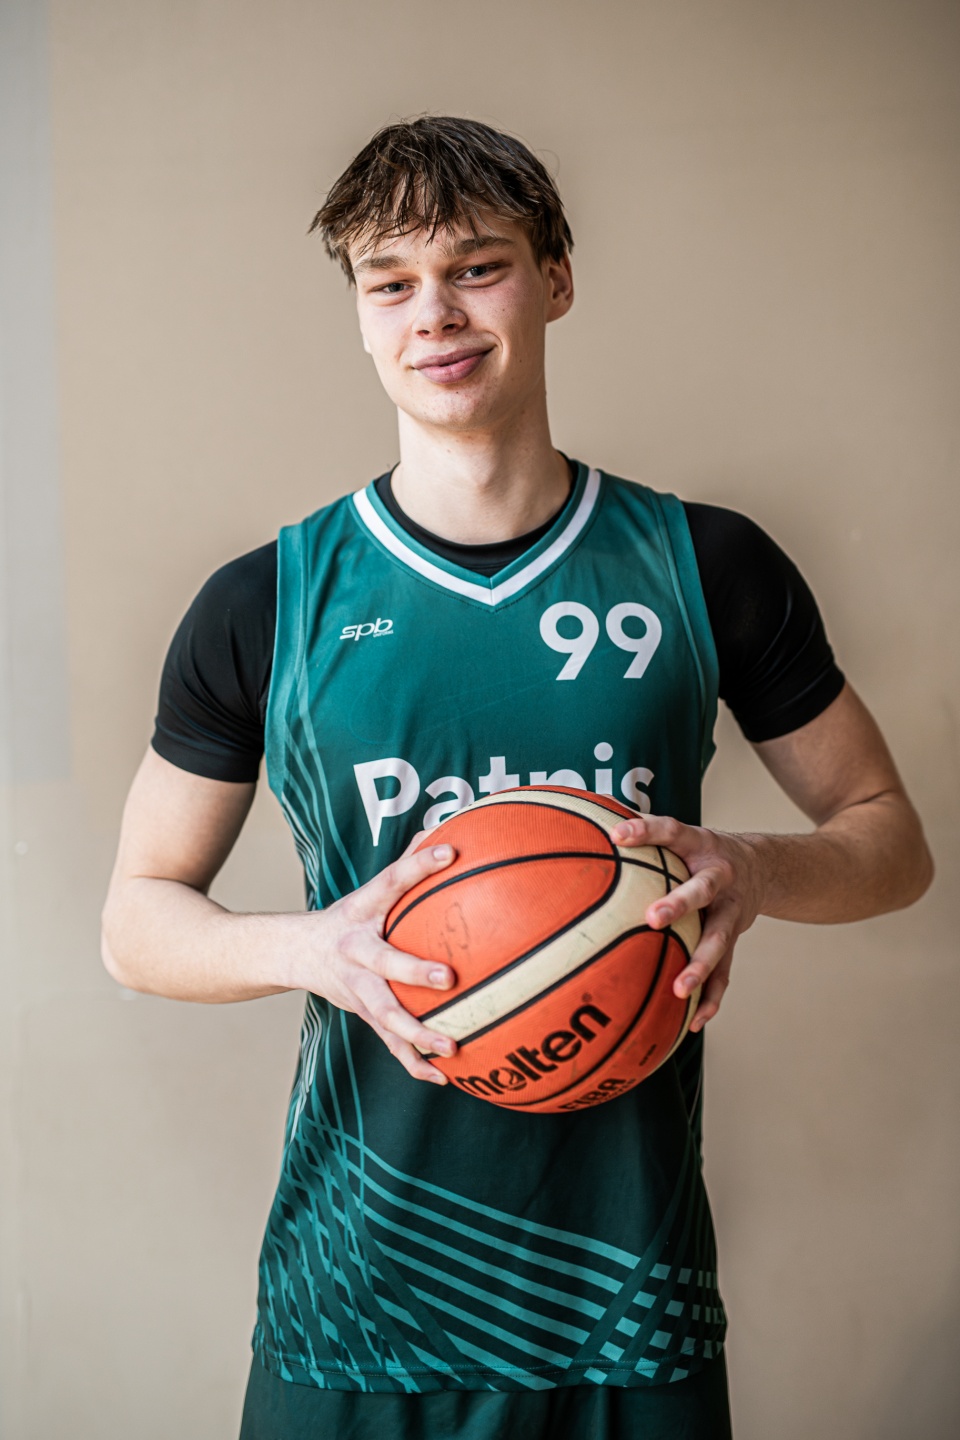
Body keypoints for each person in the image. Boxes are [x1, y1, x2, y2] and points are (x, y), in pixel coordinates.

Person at [101, 116, 933, 1439]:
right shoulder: (269, 602)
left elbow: (890, 841)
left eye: (476, 267)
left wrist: (754, 867)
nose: (434, 314)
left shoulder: (703, 565)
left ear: (556, 277)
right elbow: (136, 920)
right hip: (355, 1301)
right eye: (390, 282)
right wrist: (313, 948)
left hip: (630, 1300)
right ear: (360, 314)